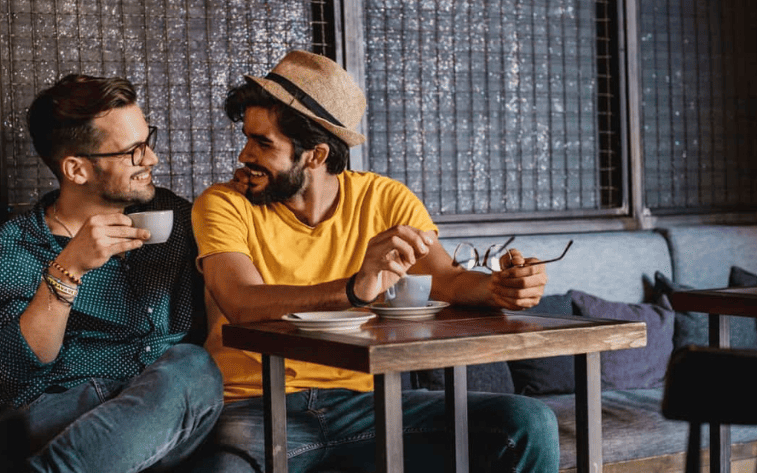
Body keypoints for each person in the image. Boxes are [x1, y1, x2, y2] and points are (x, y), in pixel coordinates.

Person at [189, 50, 560, 472]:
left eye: (262, 143)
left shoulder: (385, 200)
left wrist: (500, 288)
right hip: (254, 404)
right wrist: (352, 289)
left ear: (316, 155)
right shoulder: (223, 204)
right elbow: (241, 300)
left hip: (363, 404)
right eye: (247, 138)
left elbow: (448, 280)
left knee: (526, 422)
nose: (244, 155)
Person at [0, 74, 223, 473]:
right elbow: (15, 370)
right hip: (60, 410)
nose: (151, 160)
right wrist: (69, 268)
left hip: (162, 414)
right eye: (132, 151)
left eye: (148, 142)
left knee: (193, 368)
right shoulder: (15, 247)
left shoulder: (175, 219)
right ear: (76, 169)